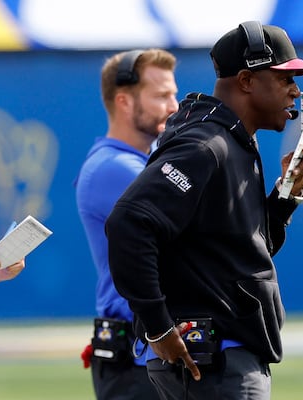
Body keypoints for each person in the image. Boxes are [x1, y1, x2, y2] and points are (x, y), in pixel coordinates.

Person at [105, 21, 303, 399]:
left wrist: (286, 196)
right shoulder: (207, 145)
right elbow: (129, 223)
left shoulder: (232, 142)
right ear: (246, 81)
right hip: (215, 361)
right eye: (285, 78)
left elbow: (237, 255)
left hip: (220, 360)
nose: (295, 91)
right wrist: (158, 327)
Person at [75, 48, 179, 399]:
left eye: (174, 94)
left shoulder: (137, 163)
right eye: (161, 95)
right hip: (136, 363)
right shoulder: (114, 167)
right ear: (124, 101)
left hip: (140, 356)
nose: (174, 105)